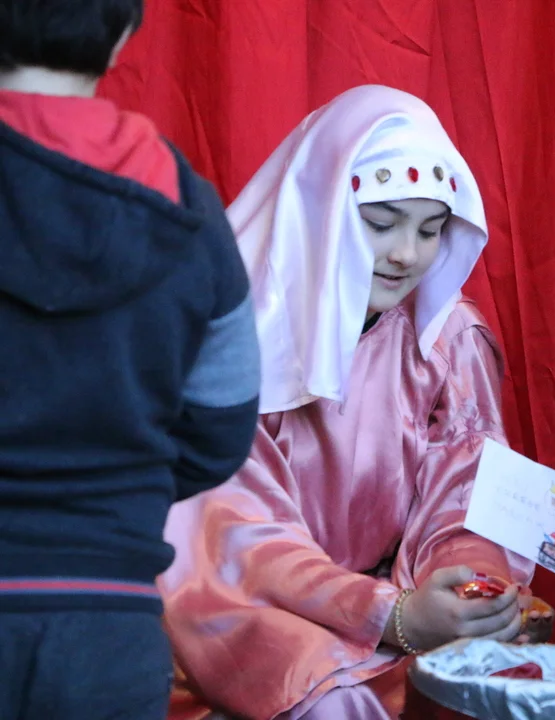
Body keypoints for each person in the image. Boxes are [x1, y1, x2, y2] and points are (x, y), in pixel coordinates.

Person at [160, 85, 553, 720]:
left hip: (396, 604)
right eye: (380, 223)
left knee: (494, 680)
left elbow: (466, 496)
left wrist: (467, 594)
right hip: (255, 613)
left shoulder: (447, 337)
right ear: (319, 210)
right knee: (331, 701)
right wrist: (390, 616)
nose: (406, 254)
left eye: (430, 230)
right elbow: (241, 541)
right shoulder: (237, 336)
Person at [0, 1, 260, 718]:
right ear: (121, 38)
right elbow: (223, 426)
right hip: (109, 628)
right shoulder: (191, 209)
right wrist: (119, 489)